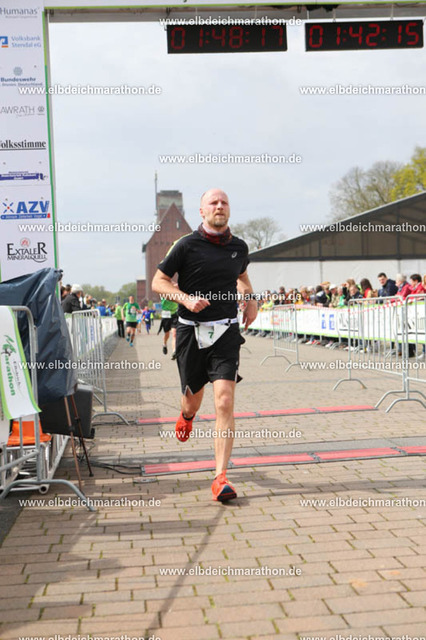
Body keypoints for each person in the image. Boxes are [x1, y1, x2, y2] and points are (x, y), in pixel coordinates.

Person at [152, 188, 257, 502]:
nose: (219, 206)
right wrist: (185, 298)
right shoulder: (186, 245)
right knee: (192, 402)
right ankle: (186, 416)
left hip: (226, 330)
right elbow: (159, 281)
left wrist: (251, 300)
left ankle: (220, 477)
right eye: (213, 202)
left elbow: (243, 278)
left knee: (224, 400)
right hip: (191, 331)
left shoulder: (239, 247)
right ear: (202, 211)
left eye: (224, 202)